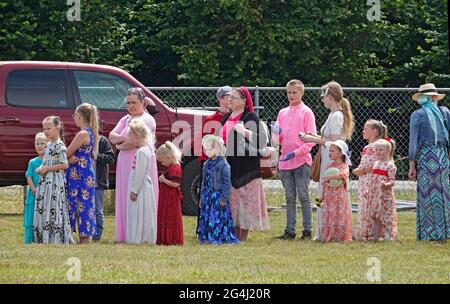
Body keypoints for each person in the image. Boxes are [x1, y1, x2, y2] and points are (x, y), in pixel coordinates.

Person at [299, 81, 354, 241]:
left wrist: (313, 139)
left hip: (332, 161)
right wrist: (314, 137)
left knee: (329, 191)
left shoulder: (337, 116)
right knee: (323, 192)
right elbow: (328, 138)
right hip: (326, 157)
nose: (322, 99)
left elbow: (336, 144)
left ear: (330, 97)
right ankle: (323, 229)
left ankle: (333, 230)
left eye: (323, 96)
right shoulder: (333, 115)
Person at [219, 86, 270, 241]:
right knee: (233, 201)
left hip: (247, 165)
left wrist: (244, 131)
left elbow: (262, 141)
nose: (230, 100)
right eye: (229, 97)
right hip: (231, 163)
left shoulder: (250, 117)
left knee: (246, 202)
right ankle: (234, 234)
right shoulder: (226, 117)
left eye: (233, 97)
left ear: (243, 101)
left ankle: (243, 236)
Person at [109, 87, 159, 243]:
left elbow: (133, 140)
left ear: (143, 103)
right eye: (128, 103)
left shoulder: (148, 119)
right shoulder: (125, 119)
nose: (131, 106)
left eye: (134, 102)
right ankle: (124, 233)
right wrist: (122, 142)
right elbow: (112, 136)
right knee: (124, 194)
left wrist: (120, 145)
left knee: (140, 195)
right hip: (124, 162)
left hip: (141, 161)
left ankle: (142, 233)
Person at [272, 79, 317, 241]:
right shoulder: (282, 113)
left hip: (302, 160)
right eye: (289, 92)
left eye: (294, 92)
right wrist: (276, 133)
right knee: (289, 196)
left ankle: (307, 230)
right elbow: (278, 139)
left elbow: (312, 139)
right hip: (285, 161)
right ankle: (289, 231)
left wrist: (297, 152)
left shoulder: (307, 112)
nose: (291, 95)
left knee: (303, 195)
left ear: (301, 93)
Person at [408, 83, 450, 241]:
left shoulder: (417, 115)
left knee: (427, 194)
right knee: (444, 194)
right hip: (443, 156)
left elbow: (413, 141)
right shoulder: (445, 112)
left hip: (427, 157)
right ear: (434, 97)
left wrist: (412, 163)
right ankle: (445, 231)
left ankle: (429, 232)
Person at [34, 116, 74, 244]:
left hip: (55, 181)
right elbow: (46, 160)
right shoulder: (49, 144)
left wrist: (47, 169)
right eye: (44, 128)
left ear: (57, 128)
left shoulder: (59, 145)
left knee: (54, 207)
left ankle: (56, 238)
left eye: (49, 128)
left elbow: (64, 164)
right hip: (45, 181)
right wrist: (41, 167)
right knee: (45, 206)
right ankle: (44, 237)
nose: (46, 131)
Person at [197, 135, 239, 245]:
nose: (207, 151)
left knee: (216, 216)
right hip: (207, 195)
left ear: (219, 149)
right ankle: (206, 235)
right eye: (206, 149)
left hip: (217, 195)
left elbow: (227, 183)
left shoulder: (223, 165)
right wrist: (202, 197)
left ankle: (217, 235)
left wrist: (224, 198)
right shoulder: (206, 164)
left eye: (210, 149)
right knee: (206, 215)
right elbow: (204, 182)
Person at [66, 103, 99, 244]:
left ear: (79, 116)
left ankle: (83, 239)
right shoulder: (91, 132)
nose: (73, 118)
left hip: (79, 174)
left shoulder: (82, 134)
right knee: (85, 205)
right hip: (85, 172)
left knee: (78, 205)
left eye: (74, 115)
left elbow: (66, 152)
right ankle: (84, 238)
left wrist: (68, 156)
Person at [352, 120, 388, 241]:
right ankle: (365, 232)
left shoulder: (376, 147)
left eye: (366, 129)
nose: (363, 131)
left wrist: (362, 171)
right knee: (365, 205)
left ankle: (372, 233)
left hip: (371, 180)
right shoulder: (368, 146)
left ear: (375, 131)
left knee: (371, 205)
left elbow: (377, 165)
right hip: (365, 180)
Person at [126, 119, 157, 244]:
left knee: (140, 211)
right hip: (141, 186)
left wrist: (134, 190)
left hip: (141, 187)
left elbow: (140, 173)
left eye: (131, 136)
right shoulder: (144, 150)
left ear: (137, 135)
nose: (130, 139)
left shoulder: (142, 152)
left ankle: (139, 237)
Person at [320, 140, 352, 243]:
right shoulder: (329, 166)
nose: (329, 153)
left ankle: (341, 235)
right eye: (329, 151)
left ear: (340, 153)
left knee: (339, 213)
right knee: (330, 213)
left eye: (332, 151)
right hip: (329, 195)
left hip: (339, 195)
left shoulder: (344, 166)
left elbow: (343, 174)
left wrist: (330, 176)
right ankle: (330, 235)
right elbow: (326, 183)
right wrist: (322, 195)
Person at [366, 139, 398, 241]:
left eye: (381, 150)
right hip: (375, 194)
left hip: (385, 194)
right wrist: (369, 190)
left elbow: (392, 181)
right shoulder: (376, 163)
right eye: (376, 150)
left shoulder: (390, 165)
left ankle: (389, 235)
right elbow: (373, 179)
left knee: (386, 214)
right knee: (376, 214)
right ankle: (375, 235)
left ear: (388, 151)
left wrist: (386, 184)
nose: (377, 152)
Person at [156, 141, 184, 245]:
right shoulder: (172, 166)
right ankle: (165, 238)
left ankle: (171, 239)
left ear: (169, 157)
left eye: (162, 161)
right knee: (166, 217)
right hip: (167, 197)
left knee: (170, 217)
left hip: (171, 198)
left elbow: (175, 184)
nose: (162, 164)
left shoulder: (175, 168)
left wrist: (163, 180)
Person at [23, 132, 48, 244]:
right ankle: (28, 239)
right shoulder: (32, 162)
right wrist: (33, 188)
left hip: (45, 194)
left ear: (48, 145)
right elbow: (28, 176)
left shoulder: (49, 162)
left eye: (42, 143)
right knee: (30, 216)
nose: (39, 146)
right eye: (37, 143)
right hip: (33, 194)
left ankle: (41, 239)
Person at [92, 123, 115, 242]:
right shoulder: (81, 138)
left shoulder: (102, 141)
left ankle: (97, 234)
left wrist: (97, 156)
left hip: (97, 182)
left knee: (97, 209)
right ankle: (86, 231)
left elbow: (110, 157)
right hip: (84, 182)